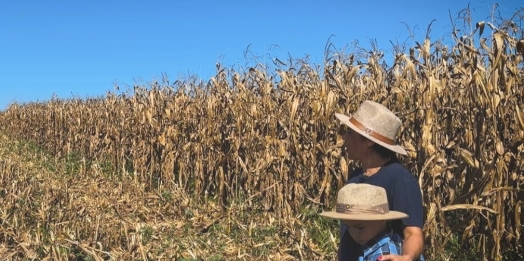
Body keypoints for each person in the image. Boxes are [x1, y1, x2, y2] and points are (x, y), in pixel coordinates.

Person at [335, 100, 425, 261]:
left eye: (350, 132)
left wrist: (406, 257)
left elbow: (413, 232)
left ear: (369, 141)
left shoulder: (400, 180)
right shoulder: (355, 176)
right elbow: (346, 233)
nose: (343, 137)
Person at [320, 183, 410, 261]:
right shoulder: (392, 240)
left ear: (382, 219)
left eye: (360, 227)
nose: (354, 234)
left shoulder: (383, 255)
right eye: (348, 227)